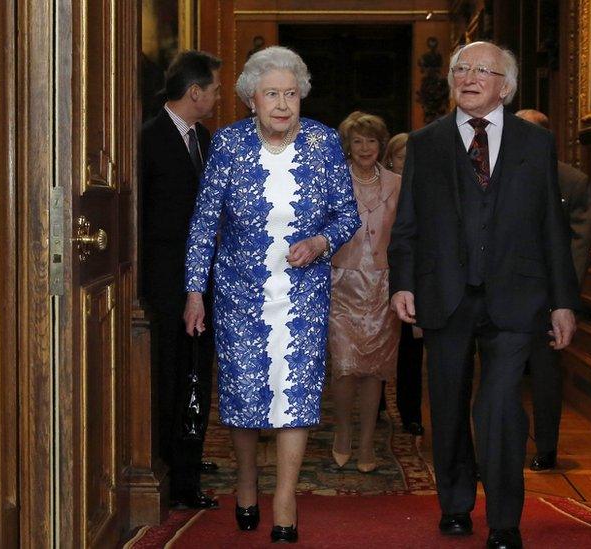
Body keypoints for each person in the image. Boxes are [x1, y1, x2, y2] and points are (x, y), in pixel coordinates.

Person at [388, 41, 581, 549]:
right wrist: (403, 283)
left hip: (517, 298)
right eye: (460, 69)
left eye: (481, 70)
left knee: (499, 408)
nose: (467, 77)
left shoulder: (534, 144)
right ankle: (454, 503)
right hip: (444, 295)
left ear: (506, 86)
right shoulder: (425, 143)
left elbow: (552, 228)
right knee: (447, 406)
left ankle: (504, 520)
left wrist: (563, 301)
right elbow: (406, 222)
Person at [183, 46, 360, 543]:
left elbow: (347, 215)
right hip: (239, 292)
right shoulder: (229, 144)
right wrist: (195, 291)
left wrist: (322, 241)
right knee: (242, 395)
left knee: (297, 395)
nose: (283, 104)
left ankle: (285, 495)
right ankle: (246, 481)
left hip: (304, 293)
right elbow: (203, 225)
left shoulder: (324, 143)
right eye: (272, 95)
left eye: (291, 94)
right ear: (251, 100)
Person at [139, 50, 222, 510]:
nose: (216, 96)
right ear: (195, 92)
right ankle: (177, 473)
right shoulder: (147, 140)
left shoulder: (204, 138)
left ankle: (188, 456)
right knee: (171, 376)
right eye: (213, 88)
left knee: (195, 371)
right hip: (164, 285)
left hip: (203, 278)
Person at [515, 109, 591, 472]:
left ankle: (546, 447)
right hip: (504, 295)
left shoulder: (571, 181)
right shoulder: (496, 174)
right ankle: (503, 446)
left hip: (547, 297)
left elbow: (579, 244)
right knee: (501, 376)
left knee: (546, 377)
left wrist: (564, 298)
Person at [327, 113, 402, 473]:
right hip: (342, 282)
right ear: (348, 145)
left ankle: (368, 441)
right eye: (358, 141)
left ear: (381, 145)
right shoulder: (333, 179)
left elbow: (405, 235)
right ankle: (343, 432)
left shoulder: (397, 183)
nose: (365, 148)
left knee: (376, 369)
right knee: (344, 367)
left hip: (383, 286)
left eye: (371, 141)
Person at [383, 133, 426, 437]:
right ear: (390, 159)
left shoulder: (428, 187)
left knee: (412, 349)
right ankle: (377, 407)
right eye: (401, 157)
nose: (407, 162)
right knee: (380, 344)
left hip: (416, 277)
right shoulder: (382, 187)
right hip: (377, 275)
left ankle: (411, 413)